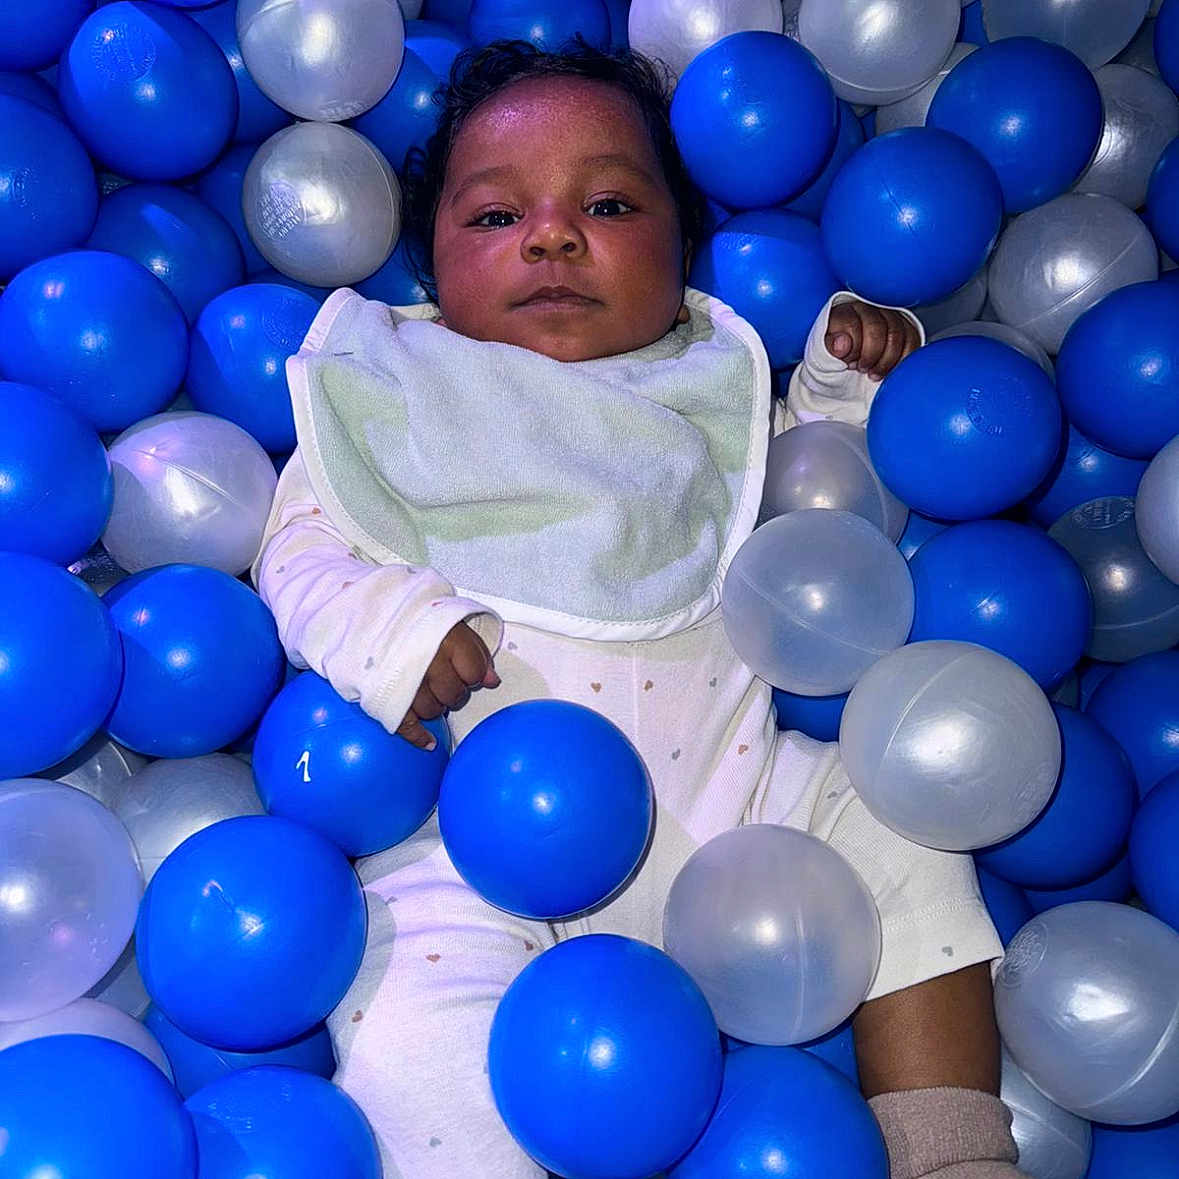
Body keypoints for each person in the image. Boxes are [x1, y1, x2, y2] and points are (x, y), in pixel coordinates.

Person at [253, 40, 1025, 1179]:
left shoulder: (694, 395)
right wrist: (390, 633)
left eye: (608, 205)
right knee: (411, 1021)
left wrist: (841, 400)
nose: (552, 236)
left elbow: (788, 513)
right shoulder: (396, 399)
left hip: (741, 817)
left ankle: (950, 1150)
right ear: (431, 272)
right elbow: (300, 547)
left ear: (683, 253)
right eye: (494, 216)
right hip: (479, 853)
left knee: (899, 816)